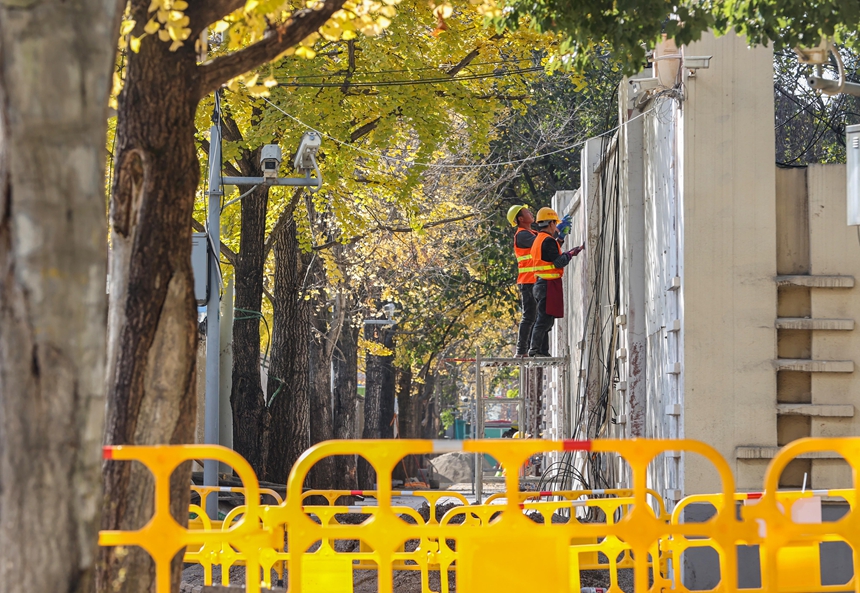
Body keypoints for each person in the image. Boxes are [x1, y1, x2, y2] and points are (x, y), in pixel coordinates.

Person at [528, 207, 584, 357]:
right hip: (547, 284)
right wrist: (571, 253)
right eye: (555, 224)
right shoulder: (548, 240)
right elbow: (558, 262)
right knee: (544, 320)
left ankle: (542, 351)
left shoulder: (539, 240)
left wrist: (560, 239)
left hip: (540, 284)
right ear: (551, 223)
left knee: (546, 320)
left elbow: (549, 254)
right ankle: (534, 349)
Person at [506, 204, 539, 357]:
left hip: (534, 280)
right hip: (528, 281)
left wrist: (558, 232)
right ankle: (521, 351)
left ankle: (530, 349)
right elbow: (542, 243)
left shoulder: (531, 233)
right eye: (527, 212)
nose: (530, 213)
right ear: (520, 218)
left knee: (536, 316)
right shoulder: (522, 235)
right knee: (529, 316)